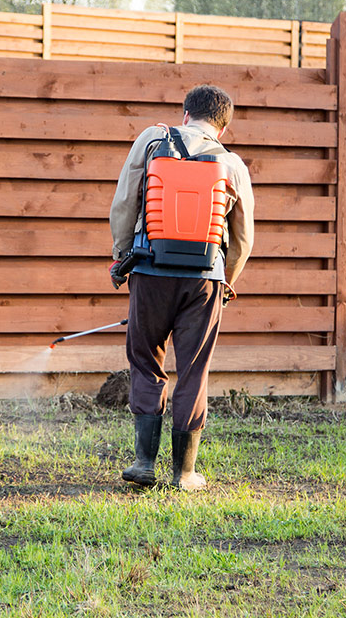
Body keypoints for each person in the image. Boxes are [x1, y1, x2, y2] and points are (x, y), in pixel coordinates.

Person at [108, 84, 255, 491]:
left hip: (151, 272)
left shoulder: (152, 139)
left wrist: (122, 258)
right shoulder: (233, 165)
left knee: (145, 359)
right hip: (204, 280)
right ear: (222, 129)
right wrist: (228, 281)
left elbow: (124, 205)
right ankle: (185, 473)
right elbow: (243, 239)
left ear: (184, 113)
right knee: (193, 371)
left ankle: (143, 462)